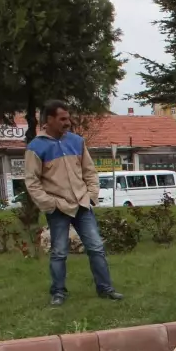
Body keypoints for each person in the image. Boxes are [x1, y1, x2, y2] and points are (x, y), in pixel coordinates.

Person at [25, 100, 123, 307]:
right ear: (49, 119)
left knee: (96, 247)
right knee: (59, 252)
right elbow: (32, 182)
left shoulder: (77, 142)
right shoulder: (36, 147)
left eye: (68, 118)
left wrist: (91, 195)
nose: (67, 122)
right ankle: (58, 292)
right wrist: (50, 204)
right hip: (58, 207)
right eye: (62, 119)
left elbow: (89, 171)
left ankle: (105, 289)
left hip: (82, 204)